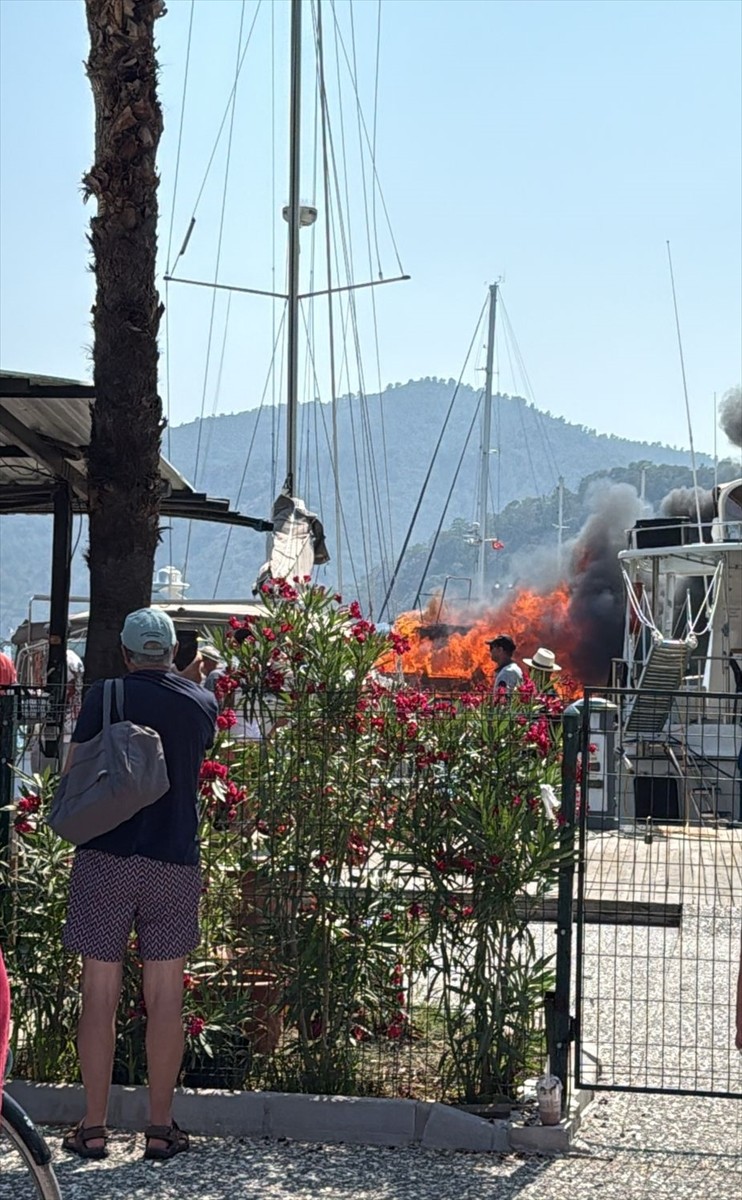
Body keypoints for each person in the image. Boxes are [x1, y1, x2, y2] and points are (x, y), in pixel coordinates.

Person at [61, 608, 217, 1163]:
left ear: (126, 654)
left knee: (98, 995)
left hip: (105, 855)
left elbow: (76, 766)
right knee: (166, 997)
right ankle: (158, 1128)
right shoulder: (201, 702)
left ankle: (95, 1127)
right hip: (173, 860)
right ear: (173, 652)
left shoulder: (104, 697)